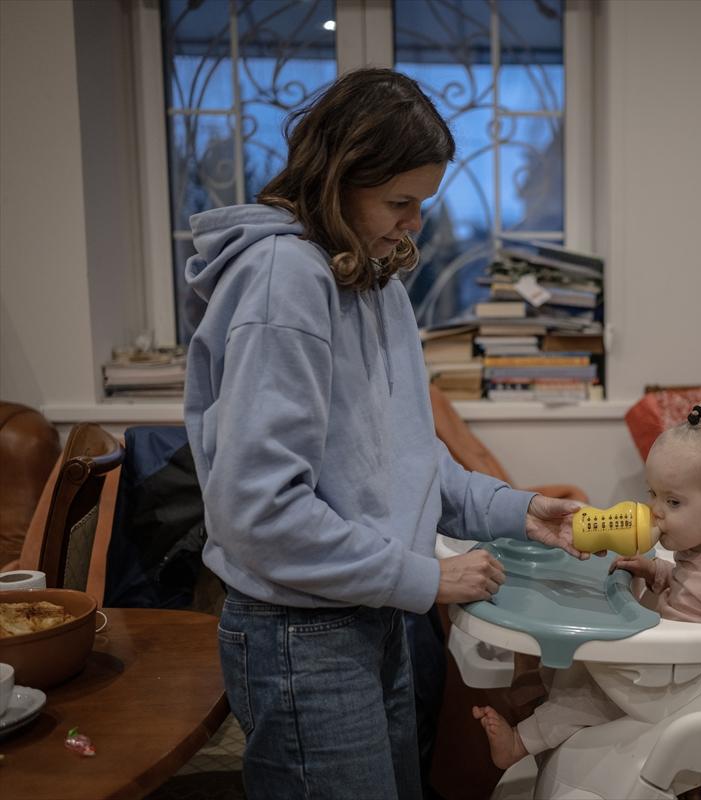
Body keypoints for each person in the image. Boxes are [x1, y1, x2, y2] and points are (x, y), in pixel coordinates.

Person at [183, 67, 583, 800]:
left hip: (368, 614)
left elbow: (406, 462)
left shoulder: (373, 282)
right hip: (301, 633)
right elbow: (259, 511)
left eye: (422, 204)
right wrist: (425, 578)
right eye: (399, 203)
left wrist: (518, 510)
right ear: (337, 181)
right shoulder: (284, 282)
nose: (413, 224)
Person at [472, 386, 701, 769]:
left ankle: (520, 744)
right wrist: (657, 572)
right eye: (653, 494)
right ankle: (541, 694)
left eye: (672, 502)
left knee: (586, 698)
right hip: (662, 661)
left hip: (689, 684)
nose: (654, 511)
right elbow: (691, 590)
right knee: (579, 662)